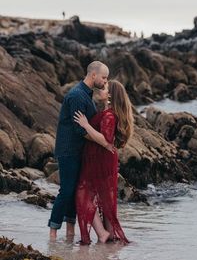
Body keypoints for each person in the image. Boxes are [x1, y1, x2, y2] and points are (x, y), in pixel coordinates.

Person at [48, 61, 113, 240]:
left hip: (78, 151)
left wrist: (105, 101)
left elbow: (92, 122)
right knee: (67, 191)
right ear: (93, 75)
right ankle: (53, 232)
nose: (105, 81)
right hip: (69, 150)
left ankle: (70, 230)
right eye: (104, 77)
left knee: (74, 190)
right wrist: (102, 142)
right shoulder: (77, 95)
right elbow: (80, 130)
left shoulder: (87, 95)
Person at [73, 79, 134, 245]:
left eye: (105, 87)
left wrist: (86, 125)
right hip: (101, 158)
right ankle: (110, 234)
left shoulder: (109, 115)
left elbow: (105, 140)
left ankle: (102, 234)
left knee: (82, 194)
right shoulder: (108, 112)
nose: (101, 87)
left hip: (100, 159)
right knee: (106, 197)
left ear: (111, 94)